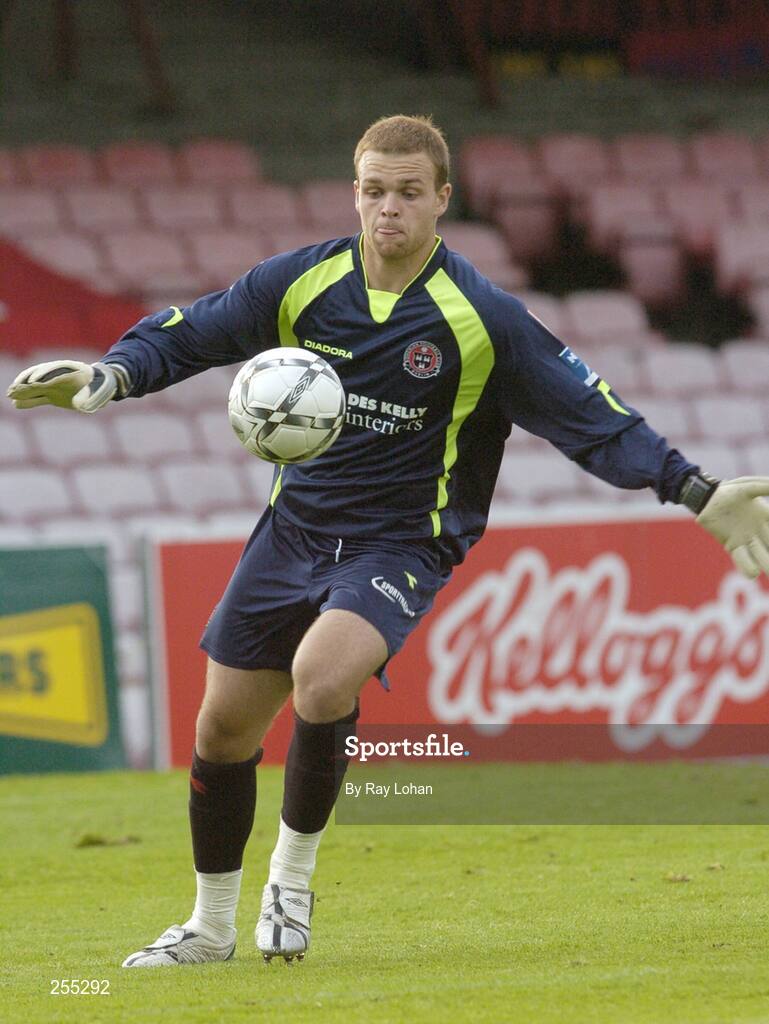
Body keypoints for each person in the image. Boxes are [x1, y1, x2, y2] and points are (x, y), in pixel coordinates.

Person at [8, 115, 769, 968]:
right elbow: (197, 331)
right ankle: (209, 928)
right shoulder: (302, 281)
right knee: (222, 734)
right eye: (374, 190)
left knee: (322, 678)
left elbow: (587, 416)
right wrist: (112, 373)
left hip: (400, 541)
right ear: (356, 193)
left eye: (409, 192)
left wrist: (692, 489)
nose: (388, 208)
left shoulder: (478, 315)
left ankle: (290, 886)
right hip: (293, 530)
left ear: (442, 199)